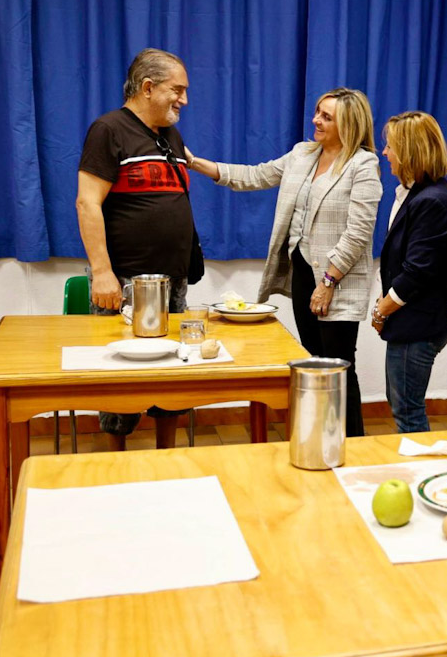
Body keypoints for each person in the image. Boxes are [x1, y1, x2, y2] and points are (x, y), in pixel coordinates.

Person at [186, 88, 380, 437]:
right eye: (317, 112)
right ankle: (321, 438)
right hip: (305, 274)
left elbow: (359, 232)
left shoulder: (363, 165)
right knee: (313, 362)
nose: (315, 121)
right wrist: (196, 163)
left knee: (338, 366)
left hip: (338, 280)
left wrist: (329, 282)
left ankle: (352, 445)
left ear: (348, 124)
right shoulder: (303, 154)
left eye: (326, 117)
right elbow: (255, 176)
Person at [76, 47, 196, 452]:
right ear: (148, 87)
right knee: (119, 375)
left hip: (173, 278)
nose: (183, 99)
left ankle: (168, 458)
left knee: (172, 374)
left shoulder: (171, 134)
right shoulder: (107, 130)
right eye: (176, 90)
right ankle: (115, 461)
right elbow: (87, 202)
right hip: (124, 278)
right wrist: (102, 272)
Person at [371, 111, 447, 433]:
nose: (385, 153)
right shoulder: (416, 194)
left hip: (419, 324)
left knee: (407, 411)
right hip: (411, 322)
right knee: (402, 406)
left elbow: (417, 272)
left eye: (391, 147)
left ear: (410, 151)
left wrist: (382, 310)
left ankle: (422, 478)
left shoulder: (431, 201)